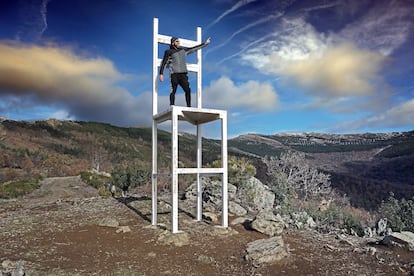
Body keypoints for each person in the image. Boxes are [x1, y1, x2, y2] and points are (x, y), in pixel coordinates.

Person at [159, 36, 211, 107]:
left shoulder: (183, 50)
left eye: (179, 41)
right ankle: (172, 105)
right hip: (174, 74)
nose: (179, 43)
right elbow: (164, 63)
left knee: (188, 90)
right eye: (177, 41)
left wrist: (205, 44)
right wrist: (161, 73)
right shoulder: (168, 52)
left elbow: (194, 48)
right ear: (173, 43)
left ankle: (189, 106)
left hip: (183, 74)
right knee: (173, 90)